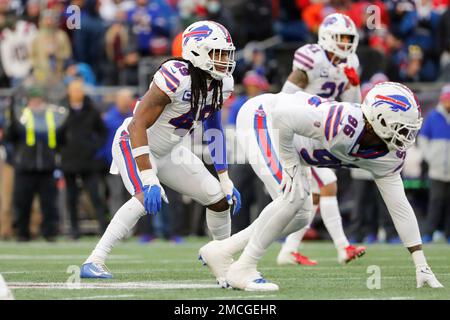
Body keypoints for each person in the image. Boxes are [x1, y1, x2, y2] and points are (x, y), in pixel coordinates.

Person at [200, 82, 443, 291]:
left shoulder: (387, 156)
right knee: (294, 196)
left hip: (290, 142)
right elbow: (283, 115)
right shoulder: (343, 124)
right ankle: (244, 267)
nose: (405, 137)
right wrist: (288, 165)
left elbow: (399, 206)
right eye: (400, 129)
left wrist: (420, 263)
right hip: (264, 119)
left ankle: (222, 250)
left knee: (301, 216)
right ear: (377, 121)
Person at [80, 21, 241, 279]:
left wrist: (225, 177)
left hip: (170, 150)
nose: (224, 61)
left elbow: (213, 129)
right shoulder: (176, 75)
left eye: (226, 54)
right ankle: (94, 260)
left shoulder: (223, 83)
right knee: (145, 196)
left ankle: (223, 260)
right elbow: (137, 124)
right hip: (134, 143)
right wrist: (148, 178)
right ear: (197, 51)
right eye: (217, 53)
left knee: (219, 200)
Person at [277, 13, 365, 266]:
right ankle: (343, 247)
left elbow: (352, 107)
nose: (346, 43)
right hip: (300, 130)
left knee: (315, 195)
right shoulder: (312, 57)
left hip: (321, 133)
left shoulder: (351, 62)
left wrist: (354, 83)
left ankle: (288, 251)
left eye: (350, 38)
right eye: (341, 38)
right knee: (327, 185)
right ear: (326, 37)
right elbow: (286, 96)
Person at [5, 86, 61, 242]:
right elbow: (9, 137)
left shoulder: (51, 117)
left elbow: (60, 138)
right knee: (22, 203)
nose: (36, 103)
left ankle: (50, 233)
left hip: (47, 167)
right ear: (28, 101)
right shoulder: (21, 116)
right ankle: (22, 233)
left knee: (49, 204)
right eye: (33, 100)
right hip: (25, 167)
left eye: (39, 100)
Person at [60, 79, 108, 239]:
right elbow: (56, 134)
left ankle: (103, 228)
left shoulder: (92, 110)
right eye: (74, 89)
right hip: (69, 161)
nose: (77, 93)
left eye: (79, 89)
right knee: (71, 198)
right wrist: (62, 149)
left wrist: (94, 148)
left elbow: (103, 133)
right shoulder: (61, 110)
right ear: (69, 92)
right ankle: (74, 230)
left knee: (95, 196)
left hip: (88, 162)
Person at [418, 84, 450, 243]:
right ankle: (429, 232)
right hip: (437, 168)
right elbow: (423, 139)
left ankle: (447, 233)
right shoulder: (433, 116)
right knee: (436, 201)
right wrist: (431, 157)